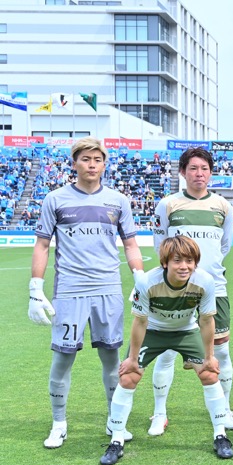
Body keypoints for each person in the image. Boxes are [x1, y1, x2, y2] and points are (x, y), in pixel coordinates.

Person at [29, 136, 143, 449]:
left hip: (108, 289)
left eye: (97, 160)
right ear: (74, 163)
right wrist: (35, 287)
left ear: (104, 164)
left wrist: (140, 277)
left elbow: (131, 244)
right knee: (63, 358)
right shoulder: (55, 199)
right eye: (85, 159)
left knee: (111, 358)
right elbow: (42, 245)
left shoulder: (118, 201)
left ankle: (114, 420)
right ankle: (58, 423)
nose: (91, 165)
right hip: (70, 290)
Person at [100, 235, 233, 465]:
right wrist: (133, 359)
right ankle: (117, 439)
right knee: (129, 377)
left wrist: (210, 357)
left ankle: (220, 435)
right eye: (178, 261)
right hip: (153, 331)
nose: (185, 267)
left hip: (186, 331)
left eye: (190, 261)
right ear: (165, 263)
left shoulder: (204, 281)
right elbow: (140, 322)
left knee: (210, 374)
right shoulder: (146, 282)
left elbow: (206, 320)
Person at [149, 147, 233, 435]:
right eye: (194, 168)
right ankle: (159, 413)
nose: (199, 174)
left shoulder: (223, 205)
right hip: (174, 289)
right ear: (183, 172)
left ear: (211, 173)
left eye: (205, 169)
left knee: (221, 352)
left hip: (215, 287)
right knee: (166, 353)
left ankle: (224, 411)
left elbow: (224, 245)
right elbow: (161, 244)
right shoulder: (168, 204)